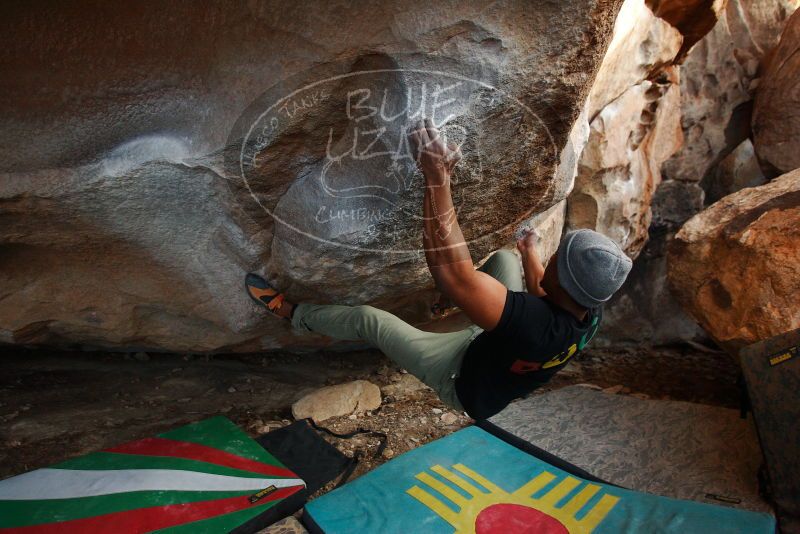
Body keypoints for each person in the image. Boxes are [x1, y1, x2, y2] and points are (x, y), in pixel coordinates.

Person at [245, 118, 632, 420]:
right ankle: (473, 312)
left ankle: (294, 314)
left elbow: (450, 274)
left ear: (563, 281)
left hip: (459, 377)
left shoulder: (536, 324)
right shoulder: (589, 307)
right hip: (501, 344)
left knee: (369, 320)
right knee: (505, 261)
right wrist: (530, 251)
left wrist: (437, 176)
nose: (549, 260)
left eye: (554, 259)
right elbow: (545, 293)